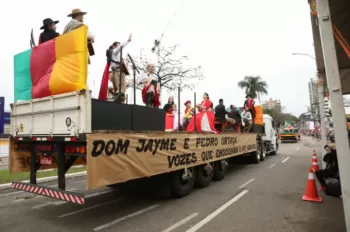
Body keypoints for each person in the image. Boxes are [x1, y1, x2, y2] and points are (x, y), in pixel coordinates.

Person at [98, 36, 132, 102]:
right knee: (120, 90)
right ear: (114, 46)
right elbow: (121, 47)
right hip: (118, 72)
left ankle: (118, 99)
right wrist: (127, 41)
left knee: (119, 90)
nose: (119, 47)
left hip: (116, 72)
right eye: (118, 45)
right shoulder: (114, 52)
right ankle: (118, 99)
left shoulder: (114, 54)